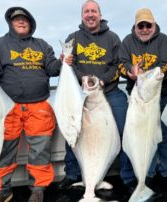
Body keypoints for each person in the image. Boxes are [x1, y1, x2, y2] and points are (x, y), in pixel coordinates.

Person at [0, 7, 72, 202]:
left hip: (39, 106)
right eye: (17, 19)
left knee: (40, 151)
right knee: (1, 149)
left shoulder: (42, 45)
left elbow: (52, 69)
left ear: (31, 23)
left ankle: (38, 189)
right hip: (7, 108)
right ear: (10, 22)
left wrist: (61, 61)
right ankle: (1, 190)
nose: (21, 22)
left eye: (25, 19)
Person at [57, 0, 129, 194]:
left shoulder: (113, 38)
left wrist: (102, 81)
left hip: (110, 91)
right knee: (72, 131)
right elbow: (69, 65)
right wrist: (83, 79)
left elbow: (118, 66)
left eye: (93, 11)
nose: (90, 15)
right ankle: (72, 175)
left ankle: (127, 175)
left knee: (124, 129)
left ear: (100, 15)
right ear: (82, 16)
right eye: (86, 11)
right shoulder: (72, 38)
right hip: (80, 95)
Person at [118, 8, 167, 193]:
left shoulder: (164, 41)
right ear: (135, 27)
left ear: (154, 25)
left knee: (166, 136)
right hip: (138, 100)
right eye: (140, 26)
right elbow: (121, 64)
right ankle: (148, 175)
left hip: (164, 96)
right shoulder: (127, 42)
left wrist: (155, 73)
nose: (144, 29)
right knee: (143, 136)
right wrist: (130, 72)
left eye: (148, 25)